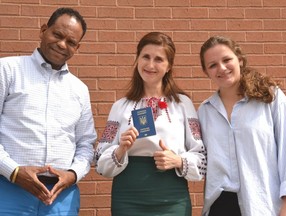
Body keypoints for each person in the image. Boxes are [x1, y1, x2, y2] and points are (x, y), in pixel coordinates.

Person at [95, 31, 207, 216]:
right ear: (137, 59)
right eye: (145, 57)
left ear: (169, 65)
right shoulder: (120, 106)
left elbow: (201, 157)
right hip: (128, 197)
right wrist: (121, 149)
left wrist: (178, 160)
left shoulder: (182, 104)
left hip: (172, 196)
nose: (150, 65)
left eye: (159, 59)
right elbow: (100, 161)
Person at [0, 7, 97, 215]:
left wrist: (72, 175)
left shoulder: (79, 90)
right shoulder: (7, 70)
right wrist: (14, 172)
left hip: (62, 197)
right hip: (8, 188)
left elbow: (86, 144)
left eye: (71, 42)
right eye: (58, 35)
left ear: (77, 47)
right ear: (43, 30)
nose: (62, 45)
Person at [197, 35, 286, 216]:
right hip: (219, 206)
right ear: (206, 72)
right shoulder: (205, 111)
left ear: (239, 59)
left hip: (262, 204)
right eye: (213, 65)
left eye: (226, 60)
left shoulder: (271, 98)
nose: (221, 68)